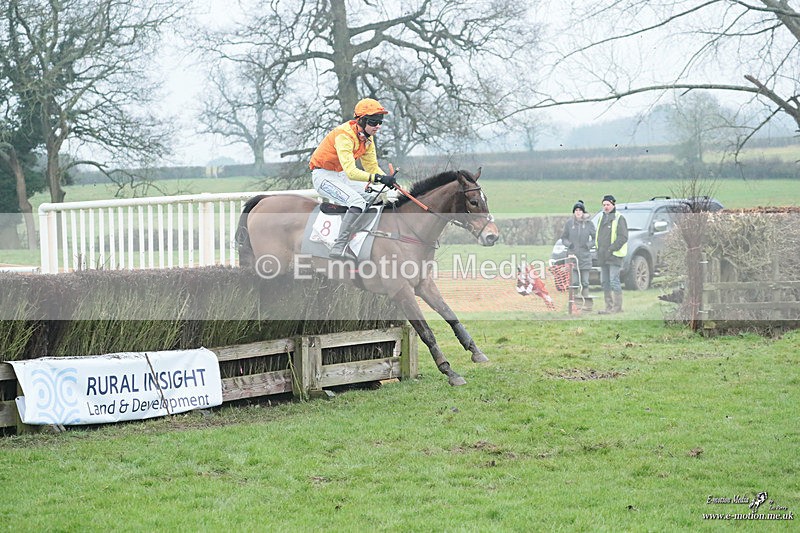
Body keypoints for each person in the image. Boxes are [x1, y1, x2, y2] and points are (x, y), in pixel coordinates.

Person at [309, 98, 397, 259]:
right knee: (357, 202)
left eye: (380, 122)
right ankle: (339, 246)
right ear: (361, 120)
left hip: (340, 175)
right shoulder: (344, 136)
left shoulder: (368, 140)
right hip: (323, 175)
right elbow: (352, 172)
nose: (378, 126)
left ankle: (358, 236)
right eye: (373, 121)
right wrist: (378, 178)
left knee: (374, 198)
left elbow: (371, 168)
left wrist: (387, 179)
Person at [559, 200, 596, 310]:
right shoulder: (569, 223)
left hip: (585, 257)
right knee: (574, 282)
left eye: (580, 210)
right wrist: (569, 245)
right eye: (576, 210)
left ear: (583, 212)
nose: (578, 212)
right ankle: (575, 304)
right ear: (574, 212)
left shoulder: (589, 224)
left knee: (585, 282)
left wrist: (588, 245)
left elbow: (595, 238)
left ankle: (587, 305)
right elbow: (563, 237)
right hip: (572, 257)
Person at [596, 194, 628, 314]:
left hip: (615, 256)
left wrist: (611, 249)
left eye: (608, 204)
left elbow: (623, 237)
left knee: (614, 281)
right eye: (604, 205)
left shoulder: (619, 218)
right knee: (605, 282)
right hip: (603, 256)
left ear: (613, 205)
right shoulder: (601, 218)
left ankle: (617, 307)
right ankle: (608, 307)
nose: (606, 207)